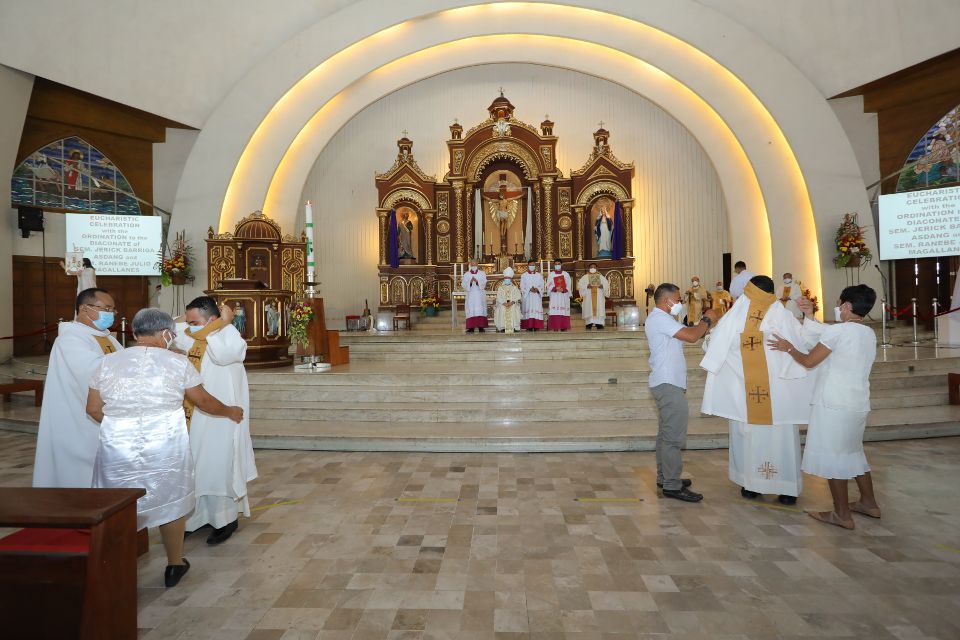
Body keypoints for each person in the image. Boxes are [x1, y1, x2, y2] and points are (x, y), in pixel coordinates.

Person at [86, 308, 243, 587]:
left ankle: (115, 568)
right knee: (170, 502)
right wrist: (230, 410)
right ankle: (174, 565)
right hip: (165, 444)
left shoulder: (106, 363)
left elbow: (93, 409)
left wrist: (121, 427)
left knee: (118, 505)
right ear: (166, 333)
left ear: (134, 333)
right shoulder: (176, 363)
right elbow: (204, 402)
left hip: (117, 448)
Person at [768, 285, 880, 530]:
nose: (837, 308)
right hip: (857, 402)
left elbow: (809, 361)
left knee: (834, 458)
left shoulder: (839, 332)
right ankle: (869, 503)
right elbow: (829, 335)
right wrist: (809, 317)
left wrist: (788, 347)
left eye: (840, 304)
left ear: (848, 307)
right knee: (854, 452)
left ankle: (841, 515)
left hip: (833, 403)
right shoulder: (868, 334)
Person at [700, 276, 816, 505]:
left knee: (749, 436)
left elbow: (712, 346)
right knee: (780, 439)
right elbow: (809, 340)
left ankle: (751, 484)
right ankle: (786, 488)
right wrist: (809, 316)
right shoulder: (783, 316)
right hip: (779, 396)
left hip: (748, 394)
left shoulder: (737, 316)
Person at [176, 297, 258, 545]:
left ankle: (225, 520)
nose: (189, 327)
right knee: (194, 466)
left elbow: (223, 356)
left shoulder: (228, 334)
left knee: (218, 467)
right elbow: (170, 325)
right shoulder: (195, 332)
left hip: (223, 417)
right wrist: (197, 321)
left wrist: (222, 324)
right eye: (189, 321)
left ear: (211, 320)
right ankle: (195, 519)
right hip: (195, 412)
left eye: (194, 322)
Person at [33, 288, 122, 487]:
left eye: (113, 310)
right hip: (78, 419)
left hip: (103, 416)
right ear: (84, 309)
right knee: (79, 474)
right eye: (106, 308)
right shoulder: (70, 339)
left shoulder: (106, 337)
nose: (111, 314)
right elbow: (93, 370)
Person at [645, 283, 718, 502]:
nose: (680, 303)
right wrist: (707, 319)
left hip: (668, 382)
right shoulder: (659, 319)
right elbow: (692, 336)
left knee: (665, 435)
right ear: (667, 301)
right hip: (668, 384)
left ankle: (665, 476)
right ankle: (672, 485)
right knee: (673, 437)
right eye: (678, 300)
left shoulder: (663, 319)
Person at [578, 263, 610, 330]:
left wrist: (602, 286)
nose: (593, 268)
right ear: (589, 268)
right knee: (589, 309)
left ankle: (599, 324)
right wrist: (586, 286)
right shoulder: (584, 277)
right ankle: (589, 323)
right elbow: (579, 286)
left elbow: (607, 286)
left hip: (599, 297)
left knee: (599, 309)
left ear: (597, 268)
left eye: (594, 267)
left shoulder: (601, 277)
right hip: (588, 297)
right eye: (591, 267)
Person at [461, 258, 488, 333]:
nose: (474, 265)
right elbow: (463, 285)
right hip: (471, 295)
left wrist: (477, 282)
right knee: (471, 310)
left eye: (475, 264)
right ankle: (471, 327)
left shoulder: (482, 273)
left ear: (477, 264)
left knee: (480, 309)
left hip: (479, 295)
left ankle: (481, 327)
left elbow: (484, 283)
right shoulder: (466, 274)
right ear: (470, 264)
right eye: (472, 264)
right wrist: (469, 282)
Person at [546, 261, 572, 331]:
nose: (557, 265)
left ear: (561, 264)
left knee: (564, 310)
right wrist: (555, 288)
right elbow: (548, 284)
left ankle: (564, 326)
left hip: (563, 295)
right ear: (554, 265)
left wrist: (564, 289)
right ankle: (555, 326)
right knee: (555, 310)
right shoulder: (551, 274)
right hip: (555, 295)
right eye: (556, 264)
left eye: (559, 264)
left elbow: (569, 284)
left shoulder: (566, 274)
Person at [494, 268, 522, 333]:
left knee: (514, 308)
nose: (507, 279)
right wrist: (504, 303)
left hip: (512, 303)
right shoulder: (500, 288)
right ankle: (502, 327)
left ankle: (514, 326)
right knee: (502, 308)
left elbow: (518, 296)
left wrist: (512, 302)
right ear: (504, 279)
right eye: (506, 278)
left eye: (508, 278)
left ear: (511, 279)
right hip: (503, 304)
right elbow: (499, 297)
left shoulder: (514, 288)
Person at [519, 263, 544, 331]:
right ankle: (528, 326)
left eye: (533, 265)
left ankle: (536, 326)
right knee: (528, 309)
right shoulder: (524, 275)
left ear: (535, 266)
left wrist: (537, 289)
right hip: (528, 296)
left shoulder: (539, 275)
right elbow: (522, 286)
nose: (532, 266)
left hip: (536, 296)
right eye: (530, 265)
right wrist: (529, 289)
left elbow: (542, 285)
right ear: (528, 266)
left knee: (536, 309)